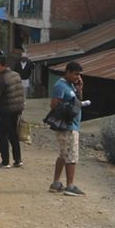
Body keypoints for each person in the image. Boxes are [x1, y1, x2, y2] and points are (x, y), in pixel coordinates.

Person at [45, 62, 86, 194]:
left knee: (63, 155)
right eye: (75, 74)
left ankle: (56, 183)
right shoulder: (60, 86)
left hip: (72, 124)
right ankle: (70, 186)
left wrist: (79, 88)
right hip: (67, 126)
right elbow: (54, 106)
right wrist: (68, 110)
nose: (77, 77)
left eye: (79, 74)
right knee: (71, 157)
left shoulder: (71, 86)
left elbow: (78, 101)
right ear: (68, 72)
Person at [0, 57, 26, 168]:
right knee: (13, 135)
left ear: (4, 66)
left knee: (3, 136)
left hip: (4, 111)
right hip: (16, 110)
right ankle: (18, 160)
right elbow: (21, 93)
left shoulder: (1, 79)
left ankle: (5, 161)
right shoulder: (16, 75)